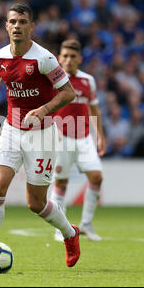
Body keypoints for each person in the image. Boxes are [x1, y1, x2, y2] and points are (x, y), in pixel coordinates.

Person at [0, 3, 80, 270]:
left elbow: (68, 93)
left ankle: (70, 234)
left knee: (36, 203)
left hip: (41, 136)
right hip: (10, 130)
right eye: (12, 22)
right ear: (6, 26)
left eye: (22, 22)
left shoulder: (44, 58)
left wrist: (42, 110)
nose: (17, 26)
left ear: (31, 27)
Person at [49, 39, 106, 242]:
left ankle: (87, 225)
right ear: (59, 58)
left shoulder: (88, 80)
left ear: (79, 59)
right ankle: (60, 228)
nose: (69, 60)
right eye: (65, 56)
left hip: (84, 139)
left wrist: (100, 135)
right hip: (61, 138)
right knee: (61, 182)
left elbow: (94, 108)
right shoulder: (53, 81)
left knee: (97, 178)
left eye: (73, 56)